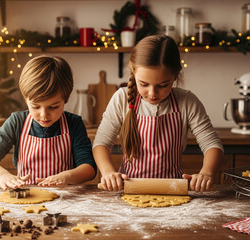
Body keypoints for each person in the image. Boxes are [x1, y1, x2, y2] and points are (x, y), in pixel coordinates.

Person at [93, 35, 224, 192]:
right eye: (144, 84)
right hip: (128, 190)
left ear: (176, 75)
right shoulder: (122, 98)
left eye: (163, 85)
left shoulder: (187, 101)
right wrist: (108, 173)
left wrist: (206, 173)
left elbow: (212, 145)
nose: (152, 93)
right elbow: (101, 143)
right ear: (133, 73)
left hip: (174, 190)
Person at [0, 56, 97, 190]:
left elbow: (89, 168)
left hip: (65, 198)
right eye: (35, 106)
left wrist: (66, 176)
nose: (44, 115)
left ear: (66, 97)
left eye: (54, 107)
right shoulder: (17, 122)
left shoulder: (73, 123)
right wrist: (3, 175)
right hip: (26, 197)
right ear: (25, 98)